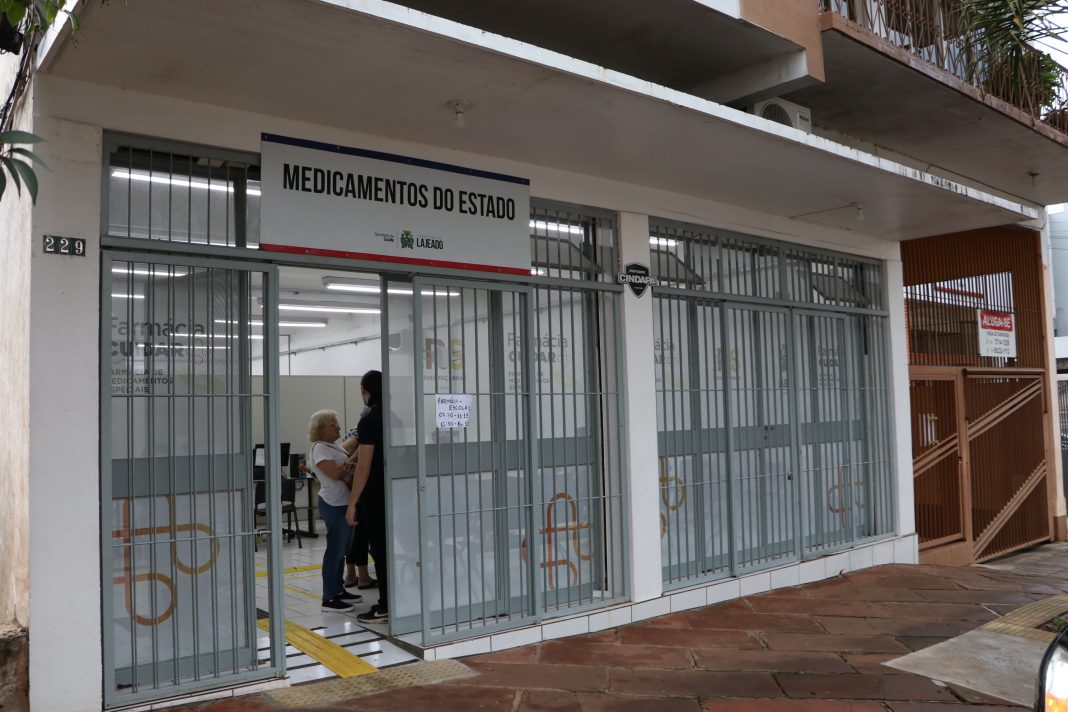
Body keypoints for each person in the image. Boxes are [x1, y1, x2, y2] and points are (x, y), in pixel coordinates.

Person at [307, 410, 362, 612]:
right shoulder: (320, 448)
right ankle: (329, 597)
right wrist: (356, 455)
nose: (339, 427)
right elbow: (335, 473)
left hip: (344, 503)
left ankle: (338, 590)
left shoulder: (333, 446)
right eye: (334, 424)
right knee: (335, 552)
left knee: (342, 551)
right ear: (321, 428)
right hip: (334, 504)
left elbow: (351, 447)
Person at [346, 370, 389, 624]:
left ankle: (385, 606)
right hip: (398, 493)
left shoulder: (369, 421)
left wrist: (352, 503)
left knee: (380, 551)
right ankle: (399, 602)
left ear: (366, 391)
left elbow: (364, 467)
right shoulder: (396, 417)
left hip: (375, 496)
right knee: (393, 550)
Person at [340, 421, 376, 590]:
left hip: (351, 492)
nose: (338, 428)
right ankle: (362, 576)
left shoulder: (356, 432)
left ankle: (351, 575)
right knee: (360, 536)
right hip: (360, 493)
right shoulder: (360, 433)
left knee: (354, 536)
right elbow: (347, 459)